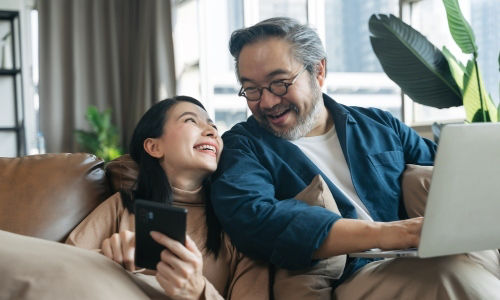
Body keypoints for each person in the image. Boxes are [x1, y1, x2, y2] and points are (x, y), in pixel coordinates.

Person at [210, 17, 500, 299]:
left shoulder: (378, 125)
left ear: (318, 71)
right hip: (352, 275)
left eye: (279, 83)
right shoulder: (242, 148)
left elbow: (452, 175)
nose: (267, 101)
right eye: (251, 89)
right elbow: (256, 218)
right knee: (452, 275)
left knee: (459, 258)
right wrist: (388, 234)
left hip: (426, 257)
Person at [66, 96, 269, 300]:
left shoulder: (239, 221)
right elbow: (61, 266)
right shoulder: (122, 206)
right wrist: (106, 259)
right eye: (190, 120)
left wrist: (198, 291)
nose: (212, 132)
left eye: (213, 126)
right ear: (154, 147)